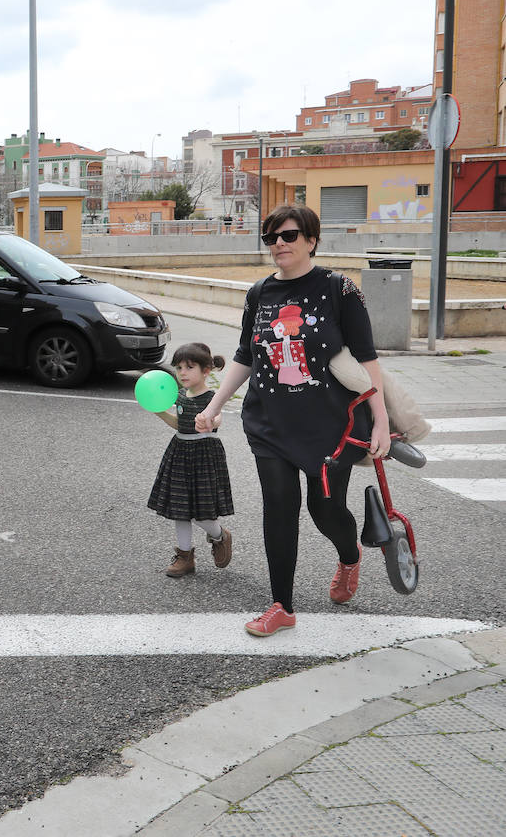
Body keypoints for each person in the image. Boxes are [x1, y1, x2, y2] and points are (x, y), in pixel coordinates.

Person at [196, 205, 390, 637]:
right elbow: (247, 354)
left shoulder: (339, 288)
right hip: (269, 422)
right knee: (279, 508)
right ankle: (281, 605)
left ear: (311, 240)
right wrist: (214, 407)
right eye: (271, 238)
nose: (279, 244)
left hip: (330, 426)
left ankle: (349, 555)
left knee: (324, 510)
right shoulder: (259, 293)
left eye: (288, 235)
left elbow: (367, 358)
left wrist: (379, 420)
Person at [146, 343, 235, 578]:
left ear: (206, 371)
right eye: (178, 367)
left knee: (202, 512)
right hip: (179, 452)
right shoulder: (180, 395)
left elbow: (217, 419)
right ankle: (185, 557)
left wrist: (210, 421)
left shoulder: (211, 397)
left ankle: (219, 536)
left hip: (204, 456)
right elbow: (179, 423)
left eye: (189, 367)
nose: (182, 372)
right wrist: (160, 412)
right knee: (180, 509)